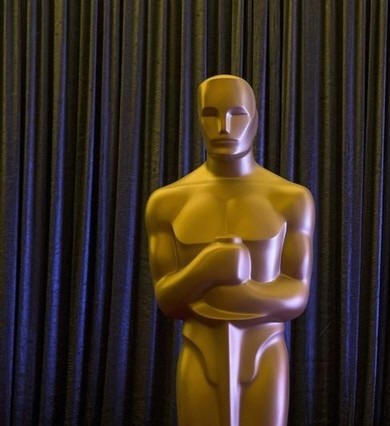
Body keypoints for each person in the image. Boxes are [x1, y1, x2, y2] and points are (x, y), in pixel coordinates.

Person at [145, 75, 315, 426]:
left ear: (255, 118)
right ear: (198, 119)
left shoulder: (290, 199)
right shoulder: (167, 202)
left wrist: (239, 291)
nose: (224, 127)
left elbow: (297, 296)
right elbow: (167, 300)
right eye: (211, 114)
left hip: (264, 349)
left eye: (237, 114)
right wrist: (205, 269)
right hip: (199, 348)